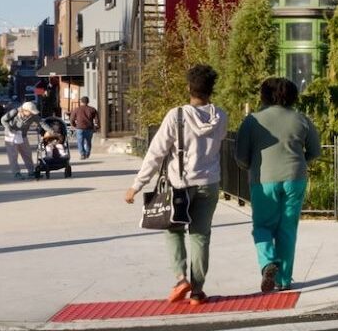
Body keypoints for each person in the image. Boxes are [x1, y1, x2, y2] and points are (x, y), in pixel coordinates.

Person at [124, 64, 228, 305]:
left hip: (180, 184)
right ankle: (197, 292)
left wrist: (137, 185)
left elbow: (156, 152)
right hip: (209, 183)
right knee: (201, 236)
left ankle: (181, 278)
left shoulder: (176, 116)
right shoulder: (221, 116)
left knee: (173, 230)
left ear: (189, 87)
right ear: (211, 89)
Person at [232, 77, 320, 293]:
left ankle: (268, 262)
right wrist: (300, 162)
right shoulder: (301, 119)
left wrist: (251, 165)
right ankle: (283, 280)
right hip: (295, 178)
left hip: (264, 180)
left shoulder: (252, 121)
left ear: (264, 95)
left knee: (262, 227)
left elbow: (240, 157)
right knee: (287, 228)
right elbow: (315, 151)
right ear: (292, 96)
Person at [4, 101, 38, 179]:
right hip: (11, 136)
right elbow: (3, 120)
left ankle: (31, 171)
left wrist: (51, 131)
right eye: (30, 112)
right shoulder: (14, 112)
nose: (32, 114)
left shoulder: (32, 115)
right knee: (13, 155)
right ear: (24, 110)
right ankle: (16, 173)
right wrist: (9, 128)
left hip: (22, 135)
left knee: (27, 153)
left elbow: (42, 122)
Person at [69, 96, 99, 160]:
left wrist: (74, 125)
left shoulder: (76, 109)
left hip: (79, 128)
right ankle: (87, 153)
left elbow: (71, 119)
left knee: (80, 142)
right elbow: (97, 119)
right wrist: (96, 126)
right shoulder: (92, 109)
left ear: (81, 102)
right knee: (88, 142)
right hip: (89, 128)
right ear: (88, 102)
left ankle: (82, 154)